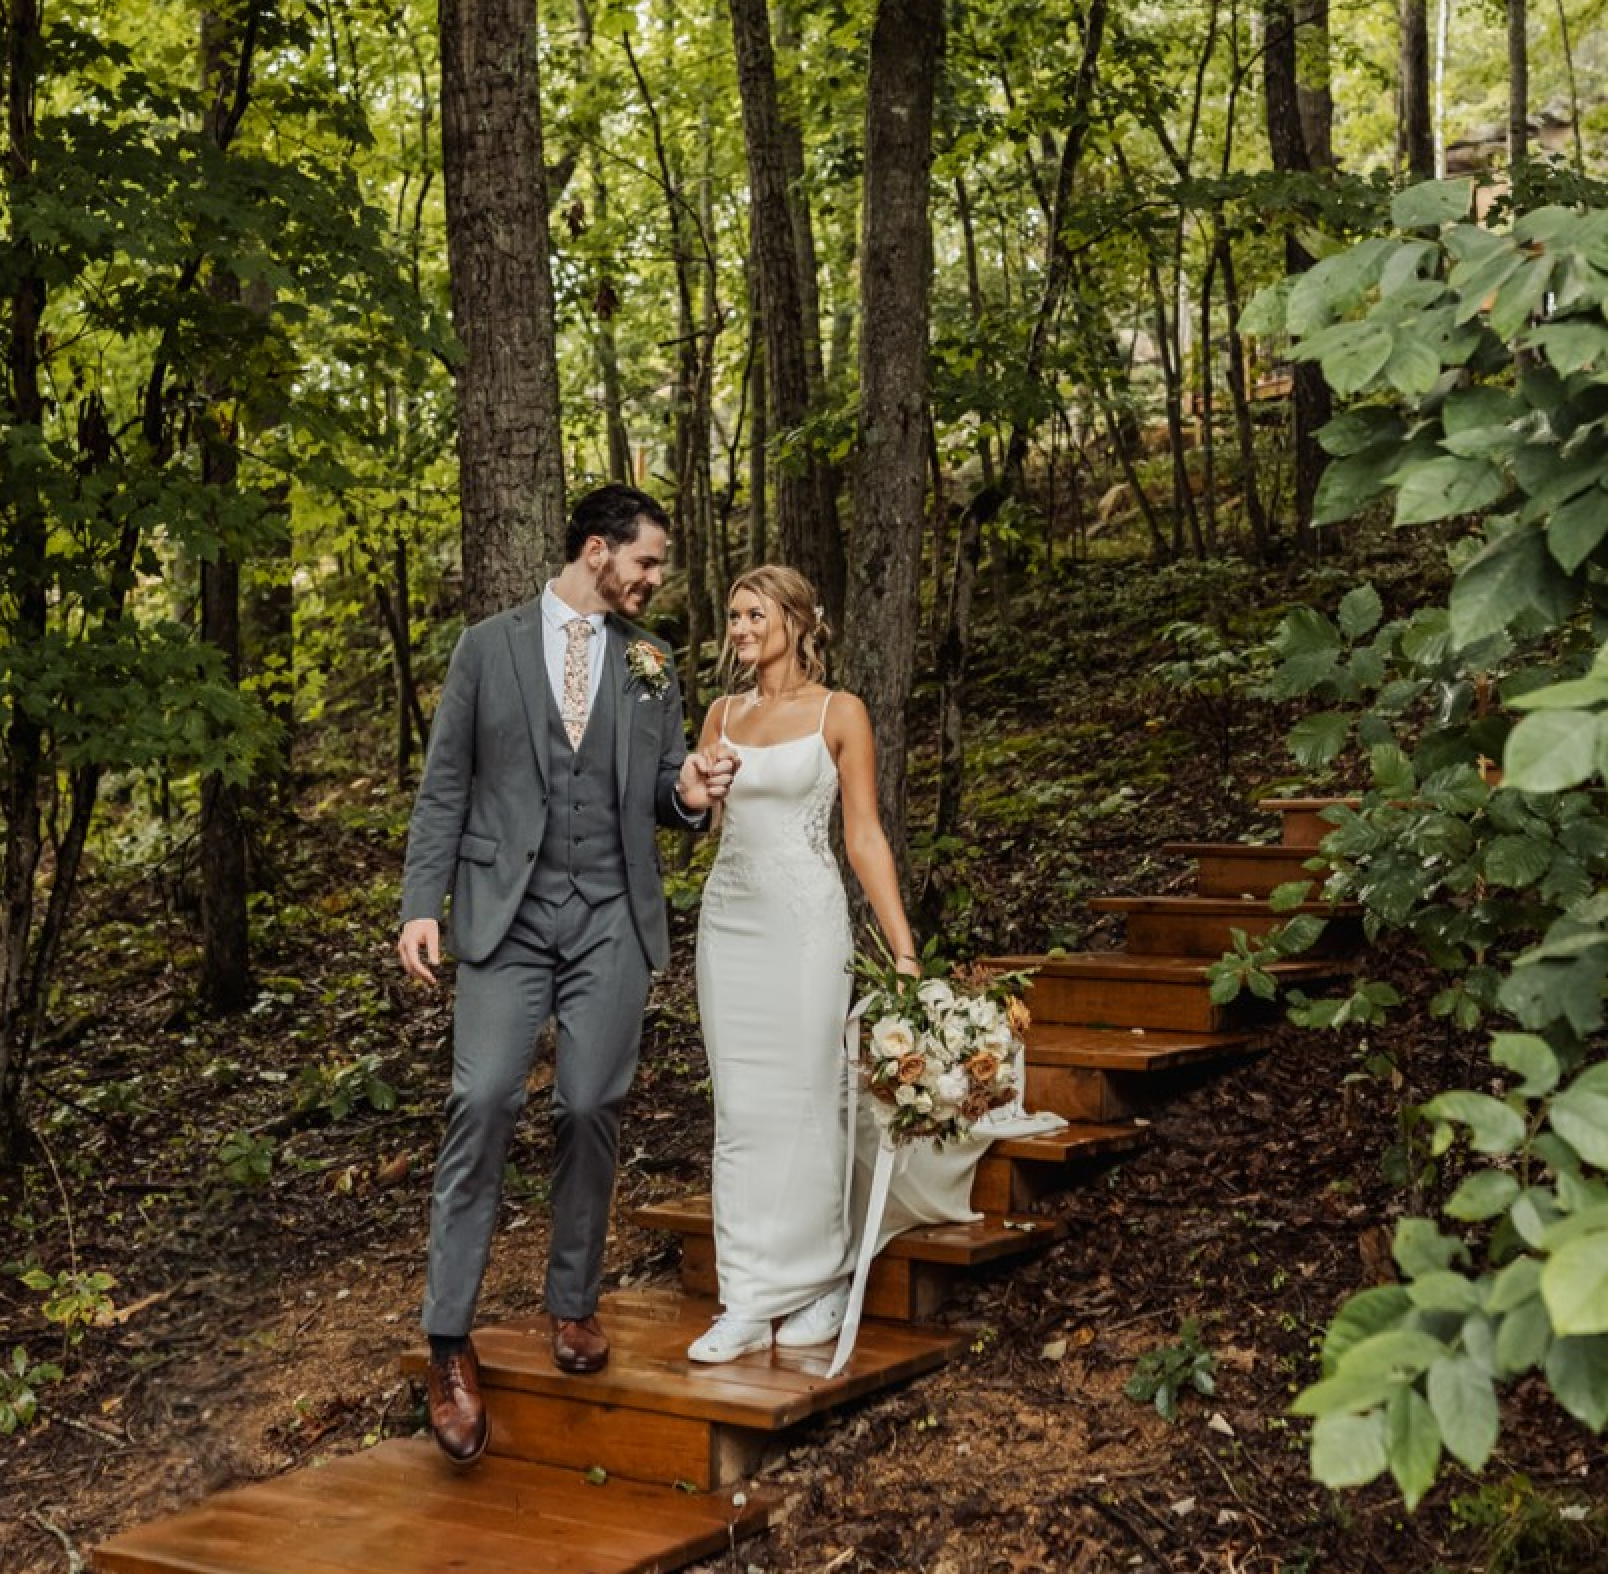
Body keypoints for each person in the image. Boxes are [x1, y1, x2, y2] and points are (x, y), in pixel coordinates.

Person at [397, 483, 736, 1464]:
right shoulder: (484, 648)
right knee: (484, 1097)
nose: (655, 579)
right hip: (507, 917)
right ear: (597, 550)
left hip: (612, 918)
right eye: (648, 561)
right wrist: (423, 904)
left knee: (591, 1103)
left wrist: (693, 789)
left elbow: (670, 784)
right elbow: (445, 785)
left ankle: (574, 1302)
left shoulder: (653, 660)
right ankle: (449, 1342)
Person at [687, 564, 920, 1363]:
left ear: (794, 618)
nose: (740, 628)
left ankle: (821, 1280)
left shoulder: (839, 712)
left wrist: (904, 951)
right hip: (729, 923)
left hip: (806, 926)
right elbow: (699, 811)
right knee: (742, 1111)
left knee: (810, 1096)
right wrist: (698, 787)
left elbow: (863, 836)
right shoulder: (720, 713)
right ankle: (747, 1297)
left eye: (754, 613)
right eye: (732, 616)